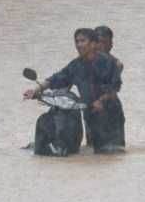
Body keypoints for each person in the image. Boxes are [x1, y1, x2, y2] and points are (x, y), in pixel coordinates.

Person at [24, 27, 120, 155]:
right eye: (77, 41)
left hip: (110, 114)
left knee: (112, 152)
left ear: (92, 44)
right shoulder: (76, 65)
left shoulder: (108, 62)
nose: (79, 45)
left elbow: (114, 87)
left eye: (83, 41)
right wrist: (36, 90)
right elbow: (56, 78)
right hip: (89, 112)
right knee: (93, 151)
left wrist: (101, 100)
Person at [89, 25, 126, 153]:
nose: (100, 46)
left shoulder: (116, 64)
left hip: (110, 109)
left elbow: (113, 88)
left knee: (116, 150)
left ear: (111, 44)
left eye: (104, 42)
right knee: (92, 148)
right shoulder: (84, 62)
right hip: (91, 108)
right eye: (97, 42)